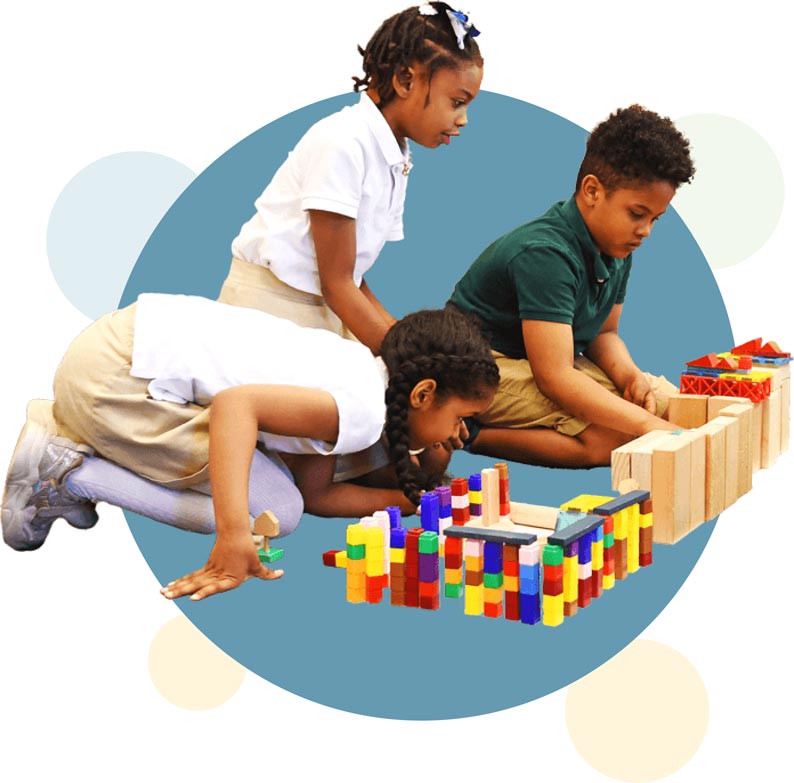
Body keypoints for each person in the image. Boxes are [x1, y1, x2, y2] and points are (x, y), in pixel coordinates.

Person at [1, 297, 499, 601]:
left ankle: (71, 444)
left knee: (284, 498)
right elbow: (236, 408)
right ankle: (67, 470)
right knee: (272, 515)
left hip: (114, 347)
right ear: (423, 394)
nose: (459, 433)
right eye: (460, 420)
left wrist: (410, 500)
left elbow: (318, 494)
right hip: (114, 382)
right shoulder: (364, 412)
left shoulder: (359, 374)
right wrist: (234, 535)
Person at [218, 2, 483, 354]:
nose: (463, 119)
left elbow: (351, 276)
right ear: (405, 80)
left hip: (324, 306)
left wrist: (402, 337)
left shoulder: (394, 155)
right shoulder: (344, 141)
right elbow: (337, 282)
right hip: (269, 308)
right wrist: (406, 360)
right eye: (456, 102)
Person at [448, 104, 696, 468]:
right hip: (482, 364)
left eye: (655, 219)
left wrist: (629, 376)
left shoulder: (617, 245)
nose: (645, 231)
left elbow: (604, 333)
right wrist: (647, 425)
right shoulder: (545, 254)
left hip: (544, 358)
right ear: (592, 190)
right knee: (616, 438)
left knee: (676, 408)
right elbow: (555, 377)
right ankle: (471, 431)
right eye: (637, 214)